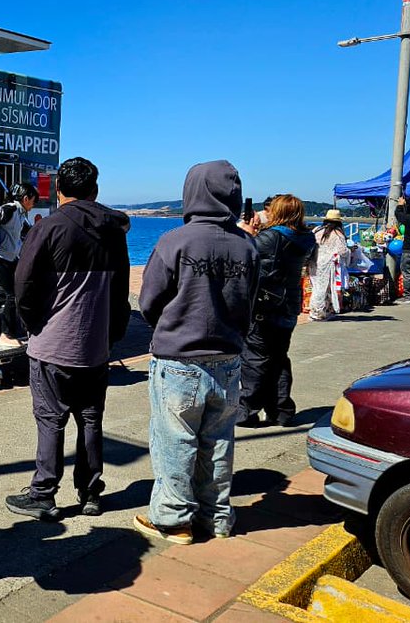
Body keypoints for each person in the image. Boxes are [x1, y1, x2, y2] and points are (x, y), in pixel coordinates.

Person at [133, 160, 258, 545]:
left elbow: (149, 301)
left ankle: (174, 520)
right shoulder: (247, 245)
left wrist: (169, 325)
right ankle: (218, 516)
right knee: (219, 442)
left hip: (179, 360)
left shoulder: (175, 241)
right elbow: (249, 304)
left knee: (174, 441)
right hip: (227, 359)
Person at [4, 157, 131, 521]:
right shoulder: (114, 229)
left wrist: (33, 324)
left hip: (53, 341)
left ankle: (44, 492)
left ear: (58, 190)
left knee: (50, 418)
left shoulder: (49, 227)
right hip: (96, 343)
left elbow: (23, 284)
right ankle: (91, 491)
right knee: (90, 418)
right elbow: (120, 288)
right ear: (95, 189)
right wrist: (113, 333)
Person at [237, 195, 316, 428]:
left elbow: (245, 253)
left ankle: (247, 410)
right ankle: (280, 410)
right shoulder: (305, 237)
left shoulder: (271, 236)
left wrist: (248, 233)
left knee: (254, 358)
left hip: (265, 305)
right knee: (279, 358)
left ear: (278, 212)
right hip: (289, 304)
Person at [0, 182, 39, 347]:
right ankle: (6, 335)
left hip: (10, 258)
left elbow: (27, 232)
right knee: (13, 295)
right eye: (33, 201)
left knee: (18, 289)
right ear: (26, 198)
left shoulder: (20, 214)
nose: (34, 205)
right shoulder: (10, 209)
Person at [307, 210, 350, 321]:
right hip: (327, 265)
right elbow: (343, 251)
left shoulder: (317, 230)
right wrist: (349, 253)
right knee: (324, 289)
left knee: (316, 287)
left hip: (313, 262)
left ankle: (317, 311)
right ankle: (319, 312)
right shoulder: (337, 233)